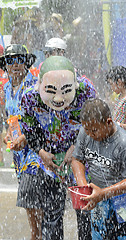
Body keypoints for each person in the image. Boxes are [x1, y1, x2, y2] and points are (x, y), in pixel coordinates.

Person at [20, 56, 96, 239]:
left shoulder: (86, 92)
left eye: (65, 91)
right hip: (49, 160)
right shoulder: (30, 97)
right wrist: (41, 152)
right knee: (52, 211)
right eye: (51, 91)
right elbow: (29, 129)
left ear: (75, 85)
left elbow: (94, 123)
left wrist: (76, 147)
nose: (58, 98)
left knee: (85, 208)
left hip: (79, 159)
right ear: (40, 85)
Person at [71, 98, 126, 240]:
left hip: (125, 202)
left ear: (108, 122)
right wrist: (83, 186)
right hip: (98, 198)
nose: (89, 135)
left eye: (94, 131)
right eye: (86, 130)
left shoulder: (125, 143)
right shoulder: (86, 131)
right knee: (100, 236)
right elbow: (77, 159)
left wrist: (104, 193)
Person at [0, 44, 43, 239]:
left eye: (19, 60)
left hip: (35, 148)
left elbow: (44, 119)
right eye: (10, 60)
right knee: (28, 197)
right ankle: (39, 232)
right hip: (18, 152)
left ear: (26, 63)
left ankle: (37, 234)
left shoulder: (34, 86)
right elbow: (10, 117)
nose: (15, 64)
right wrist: (7, 133)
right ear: (5, 65)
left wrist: (26, 137)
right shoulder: (7, 88)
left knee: (30, 192)